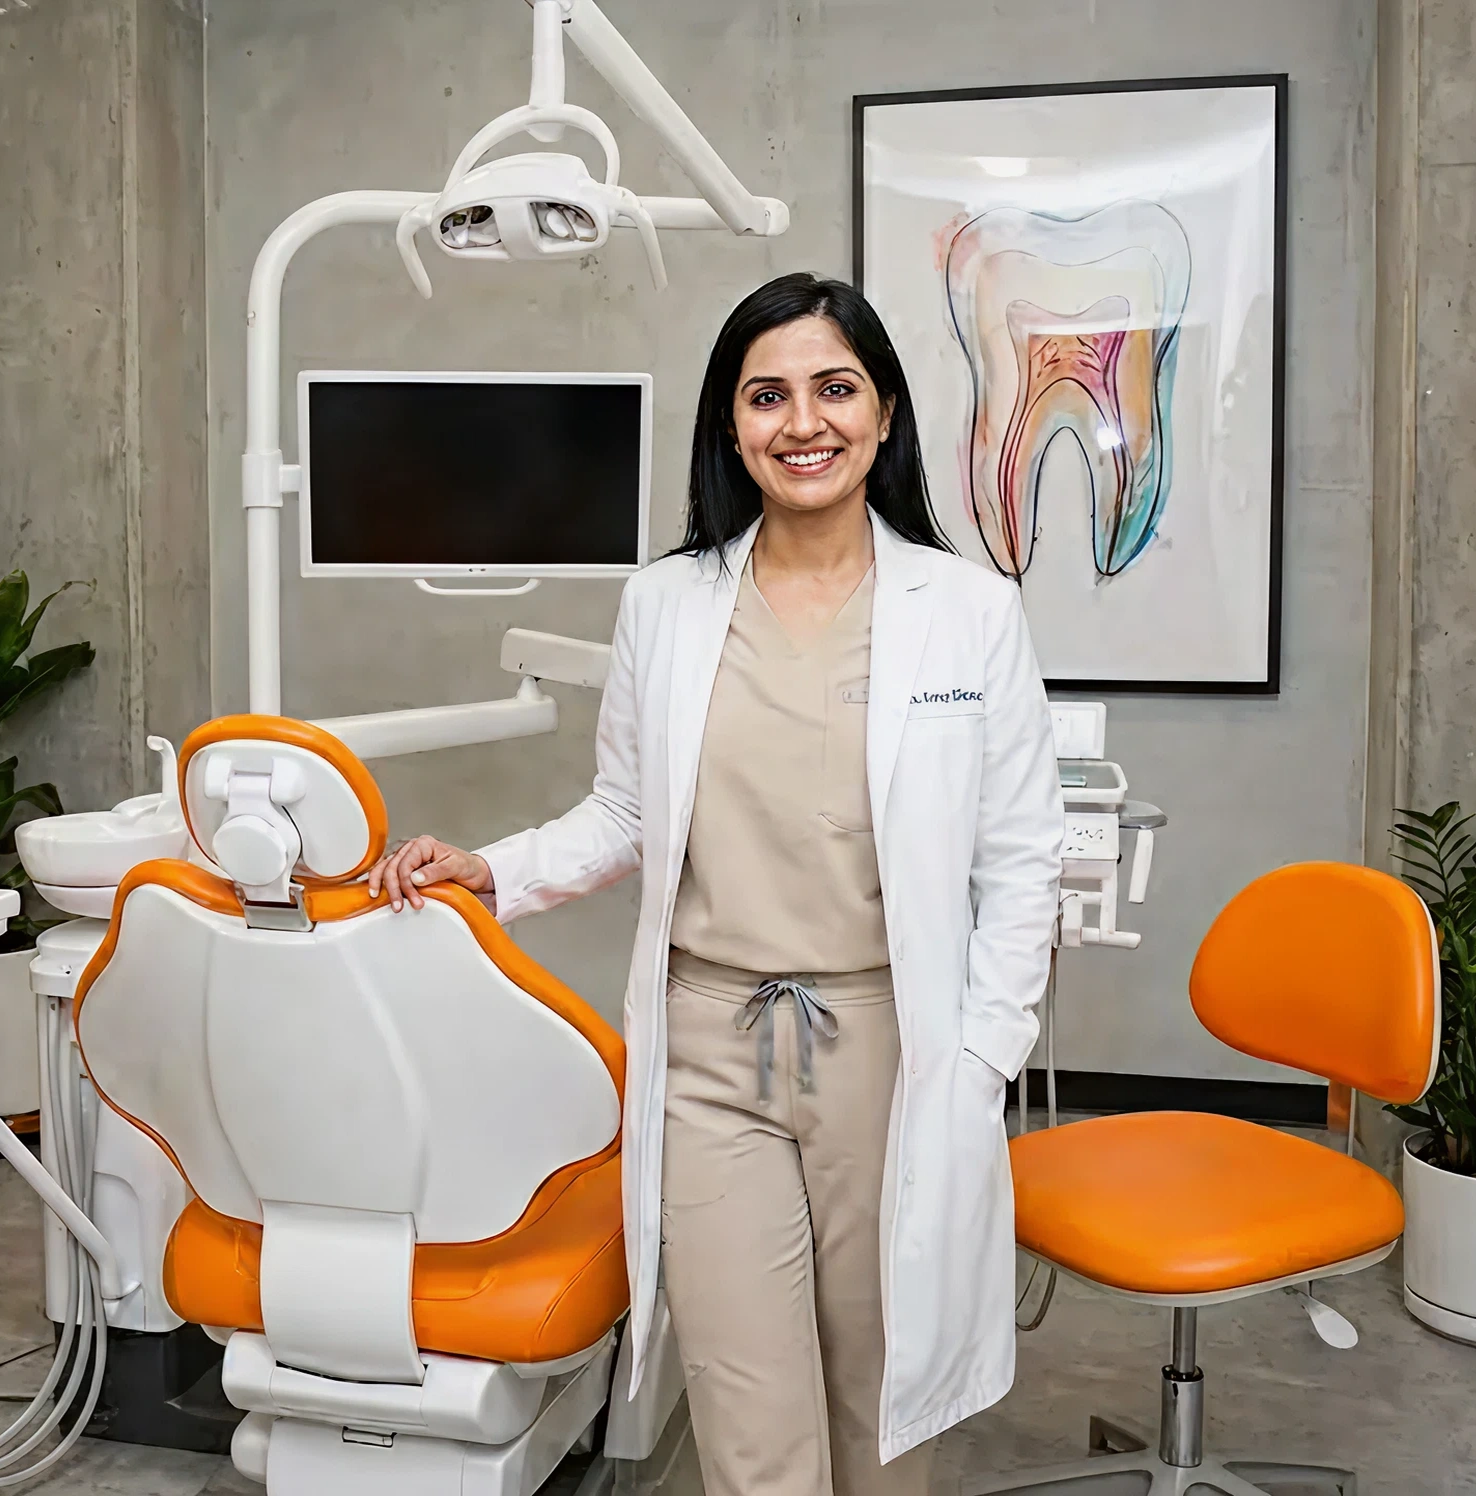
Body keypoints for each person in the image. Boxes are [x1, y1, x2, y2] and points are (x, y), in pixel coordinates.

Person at [364, 271, 1064, 1496]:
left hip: (897, 1050)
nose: (804, 422)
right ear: (730, 426)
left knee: (886, 1409)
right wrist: (495, 867)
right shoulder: (667, 604)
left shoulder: (970, 612)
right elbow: (629, 809)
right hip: (707, 1051)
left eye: (834, 388)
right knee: (749, 1421)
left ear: (887, 412)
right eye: (767, 395)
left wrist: (981, 1056)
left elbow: (1020, 861)